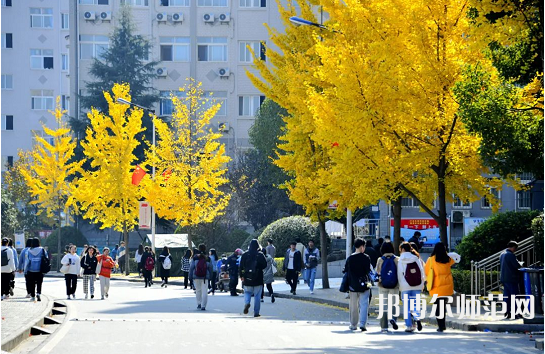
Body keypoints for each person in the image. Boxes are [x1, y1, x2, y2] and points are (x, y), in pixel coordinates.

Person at [425, 242, 460, 332]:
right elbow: (455, 259)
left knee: (437, 307)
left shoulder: (431, 259)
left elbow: (426, 271)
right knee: (442, 306)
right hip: (446, 287)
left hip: (436, 286)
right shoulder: (448, 259)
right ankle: (442, 325)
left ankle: (441, 326)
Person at [344, 238, 372, 331]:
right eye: (364, 246)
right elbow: (368, 271)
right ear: (361, 247)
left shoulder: (350, 258)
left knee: (353, 305)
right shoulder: (366, 257)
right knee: (364, 304)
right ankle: (363, 324)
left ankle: (353, 324)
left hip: (353, 285)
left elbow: (345, 271)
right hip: (364, 284)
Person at [397, 242, 425, 332]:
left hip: (405, 286)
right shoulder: (416, 258)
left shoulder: (400, 259)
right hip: (417, 285)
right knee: (416, 305)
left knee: (407, 307)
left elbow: (400, 274)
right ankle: (417, 318)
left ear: (402, 249)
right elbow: (421, 271)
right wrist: (422, 283)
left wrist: (401, 286)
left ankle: (409, 326)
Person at [375, 242, 399, 333]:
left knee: (383, 304)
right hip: (395, 285)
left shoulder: (380, 260)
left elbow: (377, 272)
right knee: (394, 304)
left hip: (383, 285)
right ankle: (393, 319)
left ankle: (384, 326)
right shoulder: (397, 259)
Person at [240, 240, 267, 317]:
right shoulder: (260, 255)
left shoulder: (245, 255)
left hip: (247, 277)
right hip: (258, 278)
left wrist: (241, 275)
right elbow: (265, 265)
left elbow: (241, 266)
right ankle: (256, 312)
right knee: (257, 296)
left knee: (247, 292)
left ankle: (247, 303)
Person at [500, 241, 522, 319]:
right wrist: (521, 264)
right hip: (512, 278)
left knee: (507, 296)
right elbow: (516, 265)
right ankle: (515, 313)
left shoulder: (502, 254)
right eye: (515, 248)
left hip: (504, 278)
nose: (515, 250)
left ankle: (507, 312)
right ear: (513, 247)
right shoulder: (510, 255)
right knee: (515, 296)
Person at [189, 243, 213, 311]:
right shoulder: (207, 258)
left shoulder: (195, 257)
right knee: (205, 291)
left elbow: (191, 267)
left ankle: (199, 303)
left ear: (199, 249)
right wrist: (210, 276)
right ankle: (203, 305)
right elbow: (210, 268)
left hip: (196, 276)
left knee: (198, 290)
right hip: (205, 277)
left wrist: (190, 276)